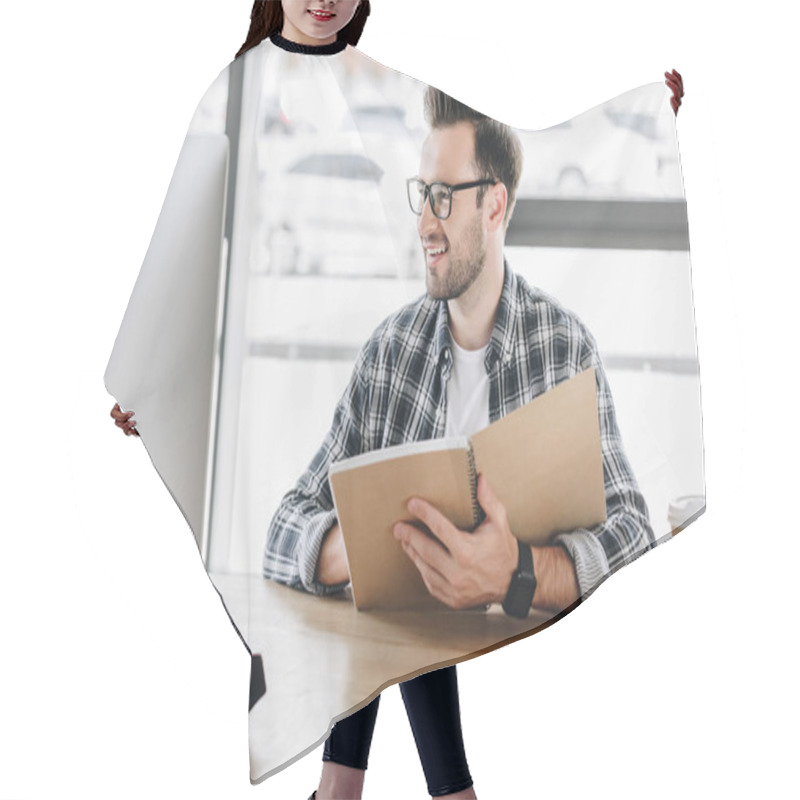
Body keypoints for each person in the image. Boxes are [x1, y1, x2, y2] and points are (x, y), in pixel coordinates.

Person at [109, 4, 685, 799]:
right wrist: (154, 374)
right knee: (386, 572)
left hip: (348, 352)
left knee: (399, 582)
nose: (424, 221)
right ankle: (410, 790)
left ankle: (350, 788)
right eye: (424, 195)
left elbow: (629, 517)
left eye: (445, 196)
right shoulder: (237, 90)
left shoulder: (555, 343)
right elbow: (189, 233)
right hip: (275, 368)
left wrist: (639, 122)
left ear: (495, 206)